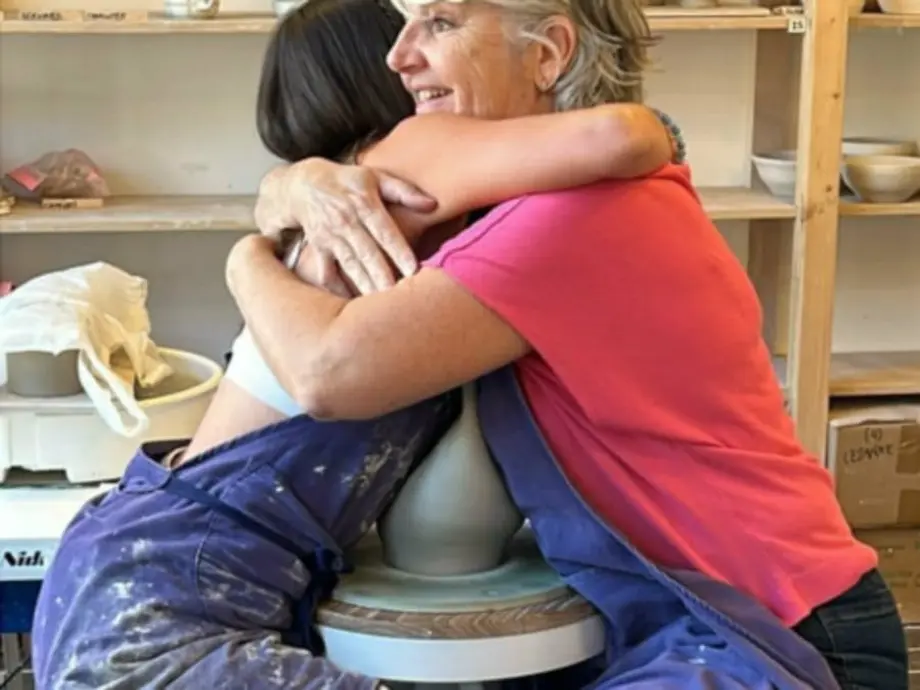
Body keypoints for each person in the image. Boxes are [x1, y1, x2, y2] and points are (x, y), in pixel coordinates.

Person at [231, 0, 909, 688]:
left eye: (441, 22)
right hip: (718, 614)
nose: (397, 56)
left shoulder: (570, 218)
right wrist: (291, 184)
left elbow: (328, 373)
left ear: (549, 53)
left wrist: (244, 260)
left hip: (788, 632)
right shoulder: (554, 197)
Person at [28, 0, 679, 687]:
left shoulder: (373, 208)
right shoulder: (396, 189)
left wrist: (262, 226)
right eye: (412, 31)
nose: (411, 56)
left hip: (152, 565)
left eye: (439, 26)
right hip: (156, 602)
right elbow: (626, 137)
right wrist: (251, 246)